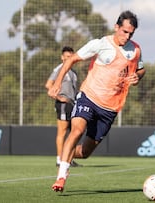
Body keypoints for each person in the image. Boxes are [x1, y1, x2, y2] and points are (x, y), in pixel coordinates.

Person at [48, 10, 145, 192]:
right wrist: (57, 83)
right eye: (124, 31)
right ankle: (61, 176)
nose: (127, 36)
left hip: (109, 109)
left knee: (84, 153)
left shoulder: (136, 50)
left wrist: (138, 77)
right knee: (76, 130)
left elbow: (141, 69)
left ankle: (65, 155)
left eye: (131, 33)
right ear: (116, 27)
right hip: (89, 97)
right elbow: (71, 60)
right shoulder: (100, 44)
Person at [45, 46, 81, 168]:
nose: (68, 59)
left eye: (70, 57)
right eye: (66, 57)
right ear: (62, 57)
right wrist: (59, 98)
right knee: (62, 132)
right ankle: (59, 159)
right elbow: (48, 85)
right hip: (63, 105)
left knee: (75, 132)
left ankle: (69, 159)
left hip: (73, 104)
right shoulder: (59, 69)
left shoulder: (73, 72)